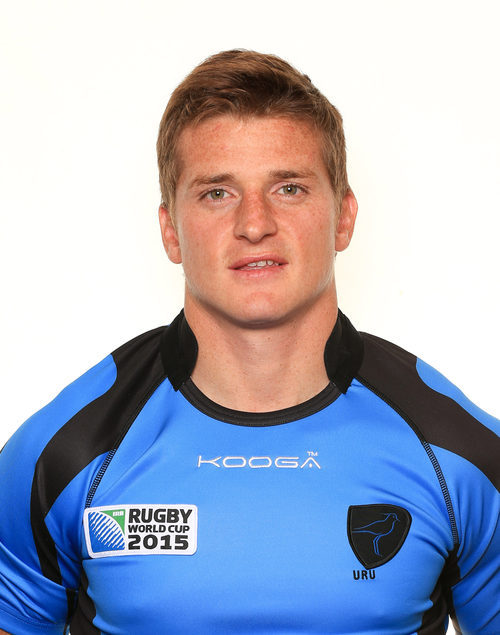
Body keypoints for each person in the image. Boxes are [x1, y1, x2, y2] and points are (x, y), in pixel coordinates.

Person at [0, 49, 498, 635]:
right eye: (217, 193)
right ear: (170, 230)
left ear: (343, 217)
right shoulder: (60, 455)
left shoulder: (460, 454)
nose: (255, 223)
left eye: (288, 188)